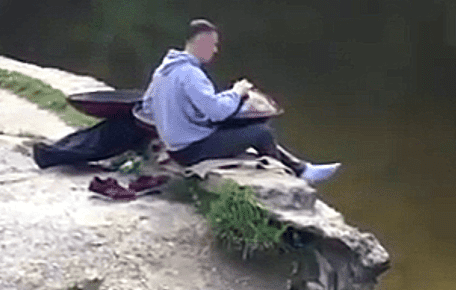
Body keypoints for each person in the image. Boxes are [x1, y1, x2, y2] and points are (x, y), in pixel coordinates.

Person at [141, 19, 340, 183]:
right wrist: (237, 92)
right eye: (213, 45)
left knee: (250, 123)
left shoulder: (164, 69)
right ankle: (283, 181)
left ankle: (301, 168)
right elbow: (217, 111)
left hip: (178, 144)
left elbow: (148, 106)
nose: (216, 50)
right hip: (190, 150)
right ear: (201, 43)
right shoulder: (191, 74)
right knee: (261, 133)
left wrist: (183, 118)